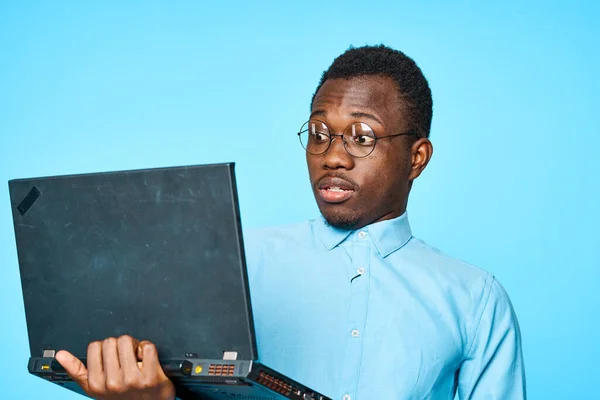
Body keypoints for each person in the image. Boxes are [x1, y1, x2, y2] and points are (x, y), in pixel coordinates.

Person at [56, 44, 526, 399]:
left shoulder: (475, 301)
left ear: (417, 157)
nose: (333, 156)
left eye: (362, 137)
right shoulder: (232, 264)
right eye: (318, 133)